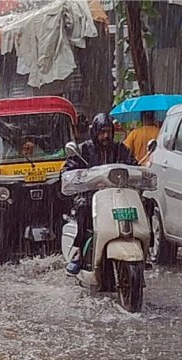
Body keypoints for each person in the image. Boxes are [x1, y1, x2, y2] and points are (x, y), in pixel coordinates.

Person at [64, 113, 138, 275]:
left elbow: (134, 166)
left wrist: (139, 175)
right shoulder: (83, 149)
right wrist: (79, 177)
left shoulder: (121, 149)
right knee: (83, 207)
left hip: (118, 195)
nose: (105, 136)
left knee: (144, 204)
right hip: (92, 196)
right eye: (102, 132)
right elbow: (69, 170)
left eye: (108, 132)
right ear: (95, 132)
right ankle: (79, 253)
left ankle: (143, 249)